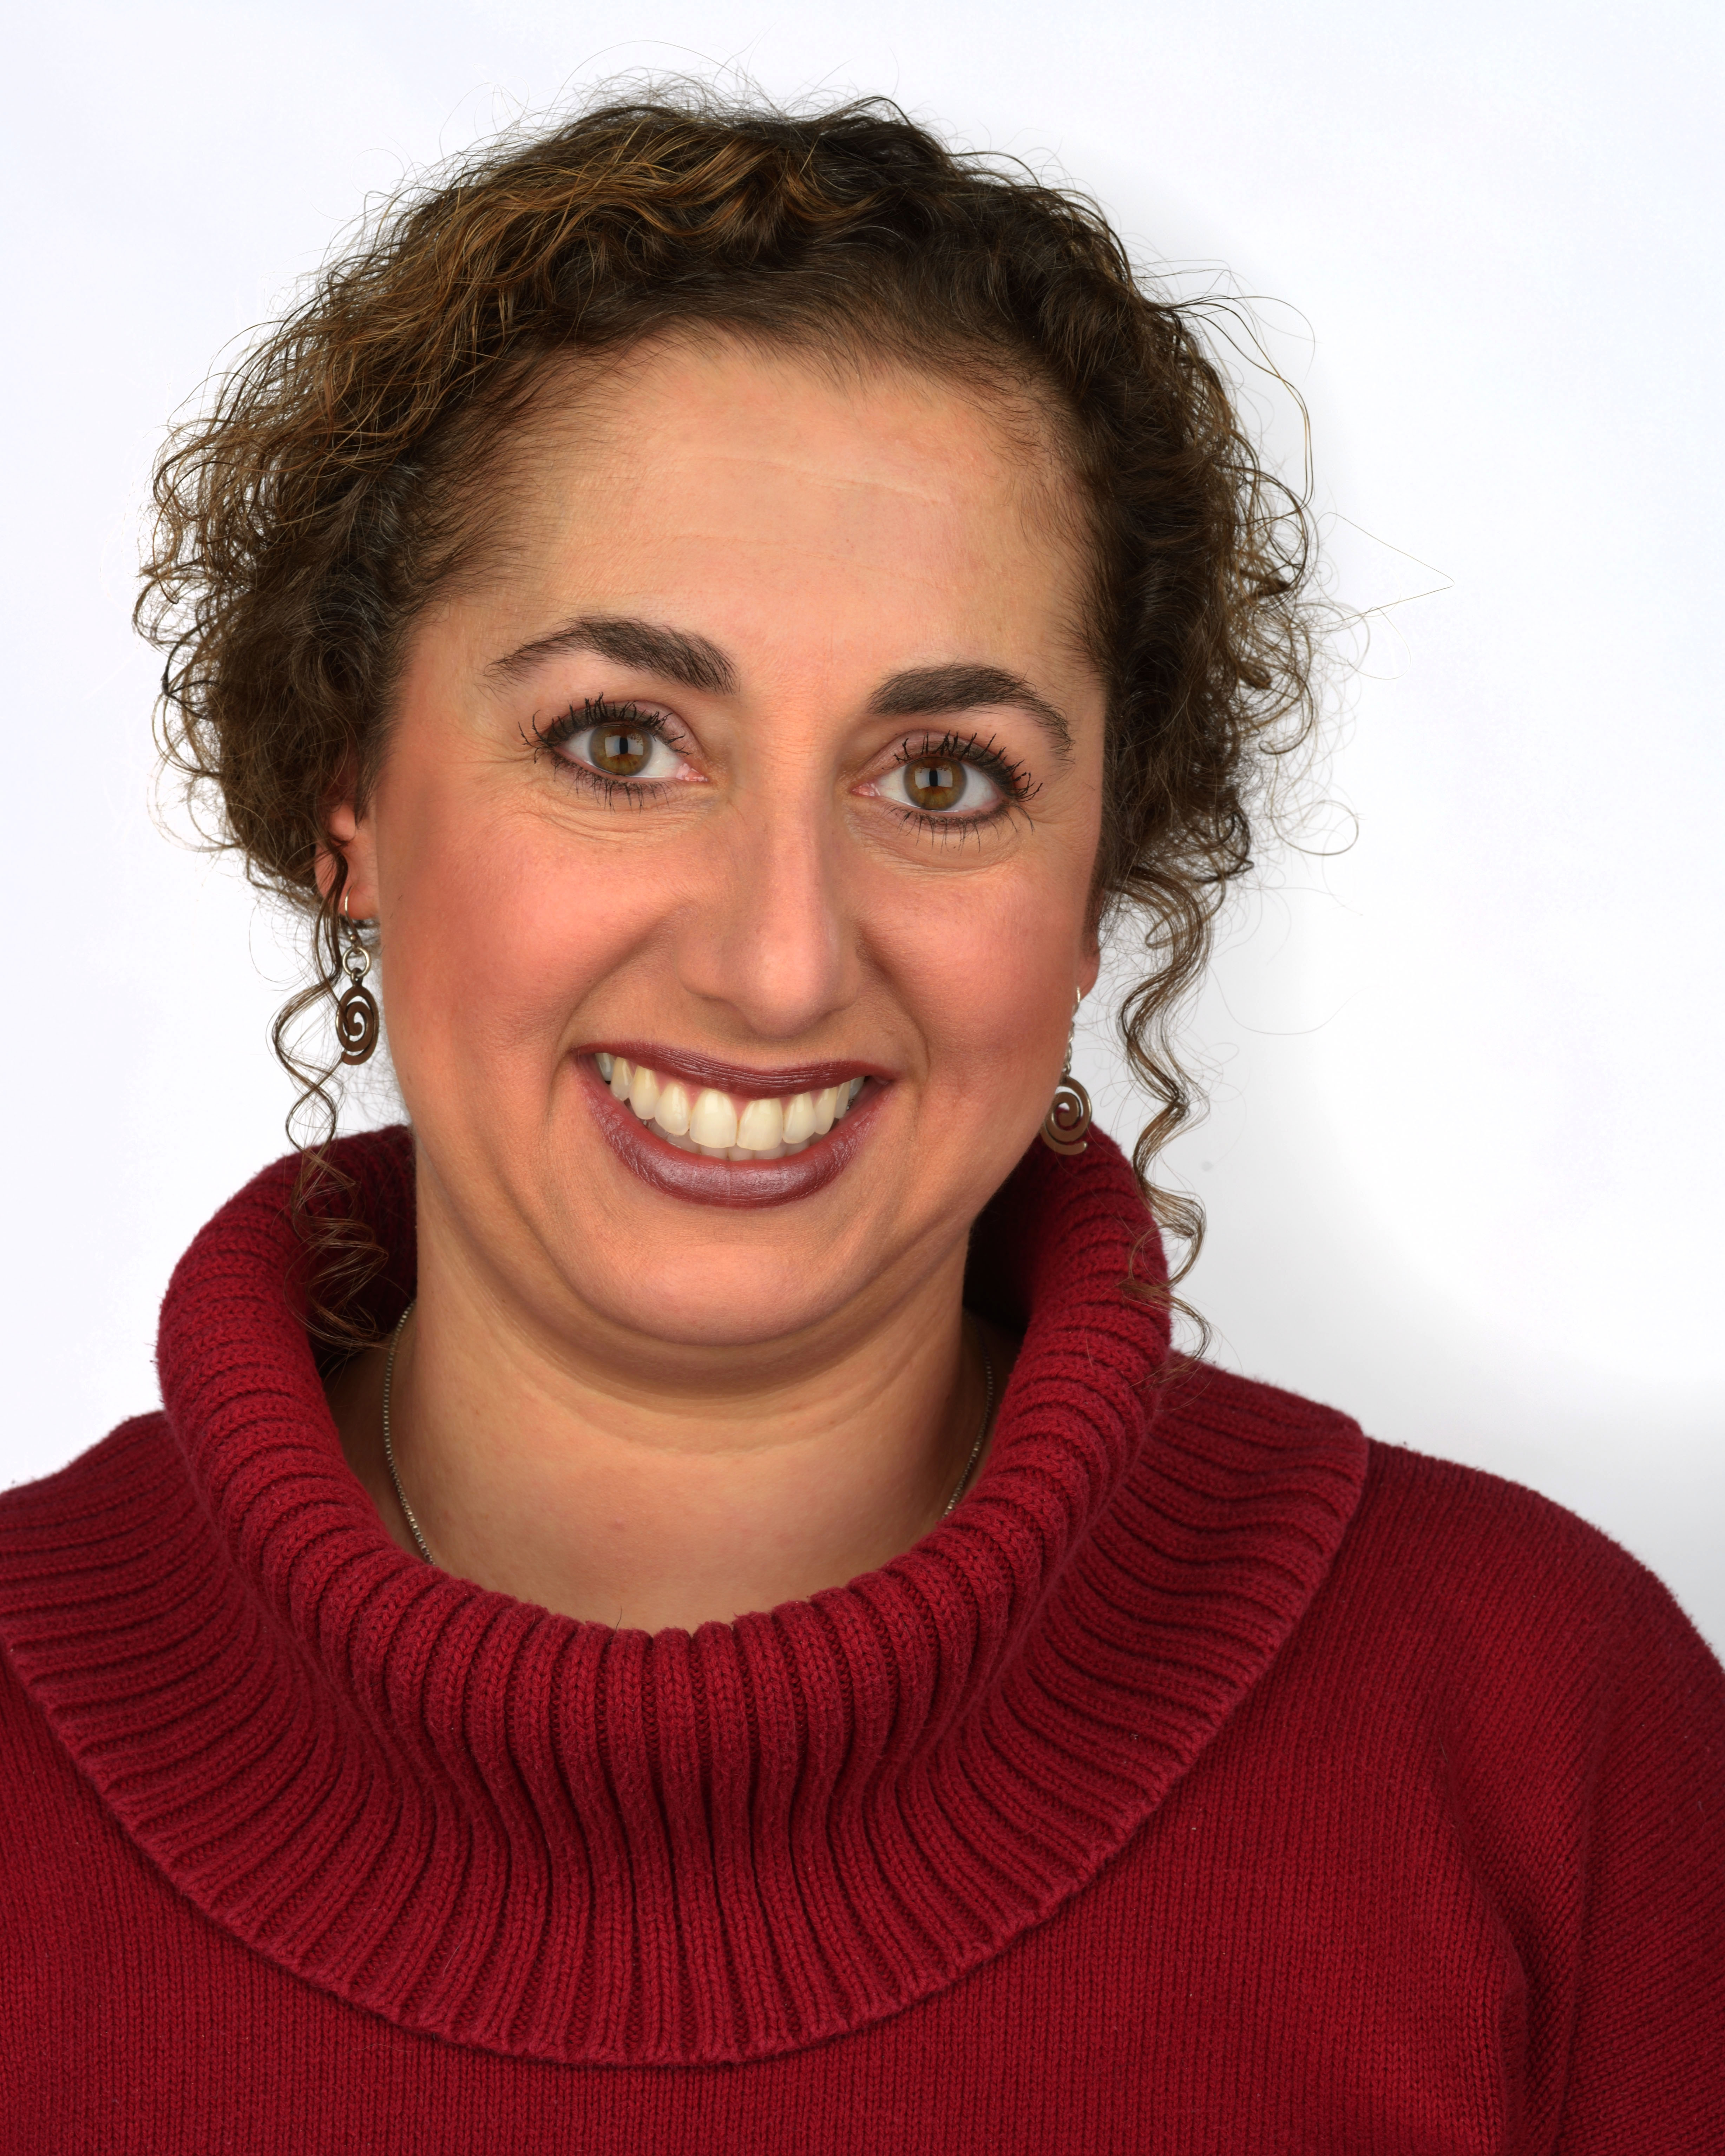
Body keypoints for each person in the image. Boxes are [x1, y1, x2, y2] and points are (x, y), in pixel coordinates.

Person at [0, 93, 1719, 2154]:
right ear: (346, 802)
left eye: (945, 777)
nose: (781, 960)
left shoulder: (1542, 1730)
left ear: (1096, 888)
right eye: (620, 742)